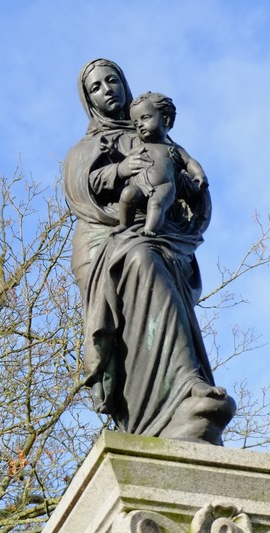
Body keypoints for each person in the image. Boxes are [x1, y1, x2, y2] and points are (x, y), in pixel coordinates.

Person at [63, 59, 235, 445]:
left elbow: (181, 182)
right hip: (103, 240)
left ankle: (183, 390)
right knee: (142, 260)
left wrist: (189, 186)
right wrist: (120, 170)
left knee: (155, 274)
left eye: (112, 80)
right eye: (96, 87)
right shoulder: (84, 149)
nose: (107, 89)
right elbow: (81, 189)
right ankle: (182, 387)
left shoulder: (155, 135)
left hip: (158, 236)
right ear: (88, 99)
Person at [113, 92, 208, 237]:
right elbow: (125, 160)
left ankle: (150, 229)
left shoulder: (173, 148)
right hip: (141, 185)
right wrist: (112, 152)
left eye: (145, 118)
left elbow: (189, 161)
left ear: (166, 119)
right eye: (136, 124)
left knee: (156, 203)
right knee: (127, 194)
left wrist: (199, 174)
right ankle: (125, 224)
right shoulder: (139, 147)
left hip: (164, 186)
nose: (140, 125)